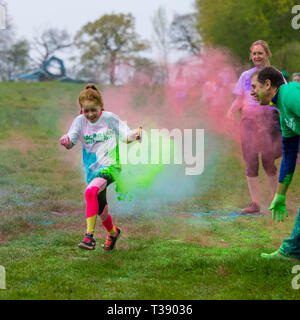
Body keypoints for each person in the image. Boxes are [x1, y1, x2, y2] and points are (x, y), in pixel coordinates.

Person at [60, 84, 142, 251]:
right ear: (81, 110)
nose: (90, 114)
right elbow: (71, 142)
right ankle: (113, 233)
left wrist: (134, 135)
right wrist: (66, 141)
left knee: (90, 192)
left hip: (111, 167)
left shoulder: (110, 118)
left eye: (94, 110)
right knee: (101, 211)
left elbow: (125, 136)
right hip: (92, 171)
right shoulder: (79, 122)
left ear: (101, 107)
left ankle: (89, 237)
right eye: (86, 111)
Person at [226, 40, 282, 214]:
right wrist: (230, 111)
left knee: (268, 161)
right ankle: (255, 204)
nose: (257, 56)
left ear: (267, 54)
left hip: (269, 119)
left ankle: (274, 200)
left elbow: (283, 97)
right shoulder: (245, 76)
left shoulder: (275, 75)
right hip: (249, 120)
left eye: (260, 53)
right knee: (250, 161)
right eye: (254, 53)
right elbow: (239, 98)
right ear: (251, 56)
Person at [250, 66, 300, 261]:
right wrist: (280, 194)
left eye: (255, 87)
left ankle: (291, 250)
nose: (252, 92)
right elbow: (288, 155)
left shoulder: (289, 95)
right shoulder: (283, 113)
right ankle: (292, 250)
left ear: (268, 84)